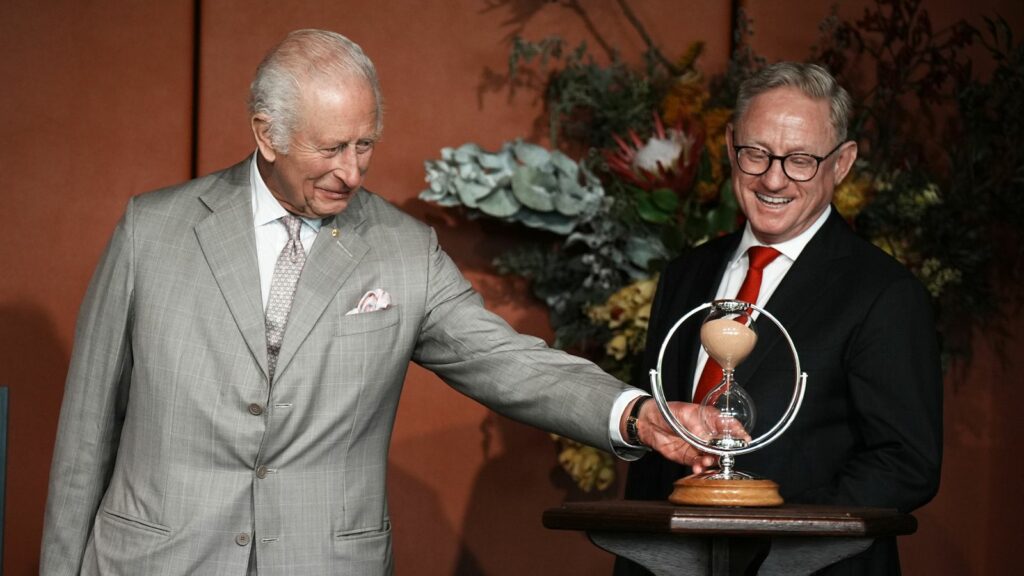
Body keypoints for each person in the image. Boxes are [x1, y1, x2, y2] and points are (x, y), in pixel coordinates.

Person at [39, 29, 715, 576]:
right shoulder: (150, 231)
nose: (354, 172)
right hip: (154, 560)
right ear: (266, 134)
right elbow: (85, 436)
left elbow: (508, 362)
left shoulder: (403, 250)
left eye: (365, 145)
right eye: (331, 148)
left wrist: (634, 413)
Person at [616, 62, 943, 575]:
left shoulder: (885, 294)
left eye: (800, 160)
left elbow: (906, 463)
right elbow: (658, 438)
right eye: (756, 154)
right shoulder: (685, 274)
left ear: (842, 163)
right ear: (730, 147)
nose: (773, 178)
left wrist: (776, 537)